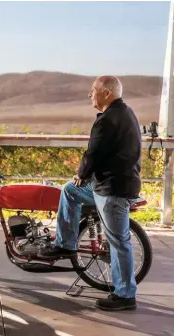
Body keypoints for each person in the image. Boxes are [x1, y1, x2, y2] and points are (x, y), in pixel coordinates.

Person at [37, 75, 142, 311]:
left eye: (93, 90)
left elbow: (94, 153)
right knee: (71, 190)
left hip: (113, 189)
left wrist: (82, 173)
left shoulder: (108, 119)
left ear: (106, 93)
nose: (90, 94)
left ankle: (125, 295)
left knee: (118, 243)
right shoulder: (126, 113)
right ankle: (66, 243)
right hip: (109, 184)